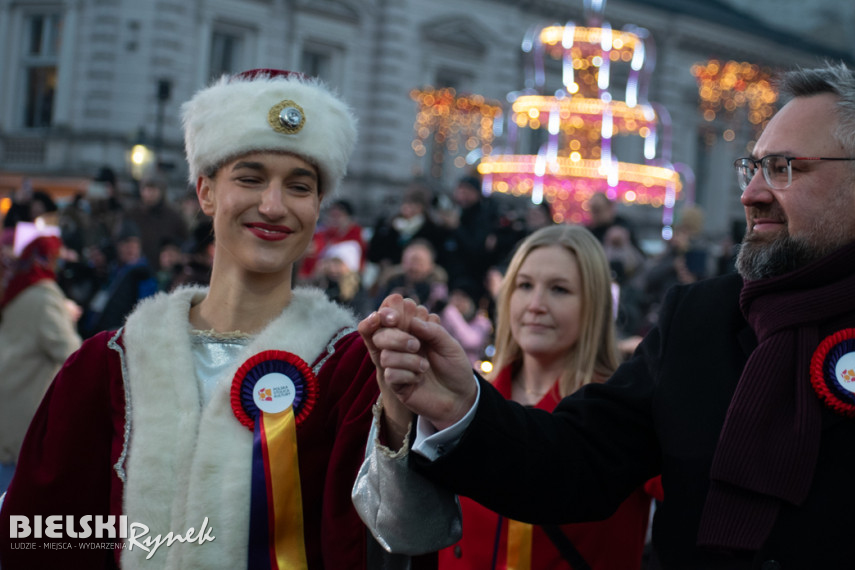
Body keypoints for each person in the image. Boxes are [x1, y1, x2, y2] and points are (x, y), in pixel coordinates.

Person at [360, 63, 855, 569]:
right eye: (753, 167)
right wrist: (462, 404)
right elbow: (575, 463)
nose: (751, 193)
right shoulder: (702, 318)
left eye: (783, 169)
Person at [0, 69, 403, 569]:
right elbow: (41, 541)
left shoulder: (355, 372)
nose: (273, 206)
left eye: (299, 186)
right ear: (205, 192)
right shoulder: (105, 366)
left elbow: (394, 538)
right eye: (250, 178)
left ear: (318, 205)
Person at [359, 225, 652, 569]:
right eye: (524, 286)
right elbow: (403, 527)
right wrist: (397, 412)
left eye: (559, 289)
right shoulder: (463, 399)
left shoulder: (626, 410)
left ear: (596, 304)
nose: (536, 305)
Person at [0, 228, 81, 492]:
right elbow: (71, 354)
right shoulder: (45, 297)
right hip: (26, 409)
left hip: (8, 400)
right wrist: (67, 318)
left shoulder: (16, 290)